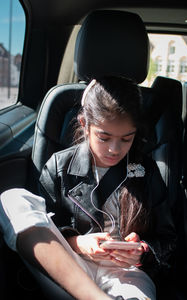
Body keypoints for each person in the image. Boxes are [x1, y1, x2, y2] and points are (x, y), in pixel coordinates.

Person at [0, 76, 176, 300]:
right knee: (13, 199)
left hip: (126, 274)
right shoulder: (59, 166)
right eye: (104, 137)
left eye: (126, 139)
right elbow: (47, 225)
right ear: (85, 125)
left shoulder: (145, 170)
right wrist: (78, 243)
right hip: (67, 266)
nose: (114, 149)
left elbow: (168, 239)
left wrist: (142, 251)